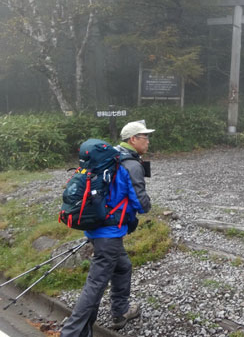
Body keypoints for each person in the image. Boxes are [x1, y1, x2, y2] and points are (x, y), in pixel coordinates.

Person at [60, 121, 153, 337]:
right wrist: (146, 203)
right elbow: (141, 204)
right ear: (133, 140)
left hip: (99, 227)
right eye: (144, 137)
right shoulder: (131, 165)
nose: (148, 141)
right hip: (108, 233)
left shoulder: (113, 157)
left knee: (122, 267)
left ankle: (120, 312)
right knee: (96, 283)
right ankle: (72, 332)